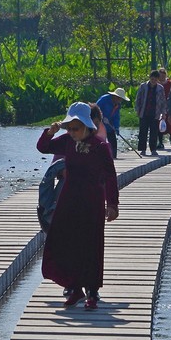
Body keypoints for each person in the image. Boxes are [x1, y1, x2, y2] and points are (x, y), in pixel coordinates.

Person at [36, 102, 119, 310]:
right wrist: (49, 133)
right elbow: (43, 148)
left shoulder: (101, 147)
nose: (72, 132)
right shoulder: (66, 142)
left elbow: (110, 176)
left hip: (92, 201)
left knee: (91, 245)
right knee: (67, 242)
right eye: (69, 128)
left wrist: (113, 204)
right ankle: (74, 288)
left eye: (76, 128)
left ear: (87, 126)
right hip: (69, 198)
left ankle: (92, 292)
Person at [134, 70, 166, 155]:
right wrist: (137, 109)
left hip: (155, 113)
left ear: (158, 80)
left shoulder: (160, 88)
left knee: (154, 132)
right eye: (152, 79)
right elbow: (138, 99)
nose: (153, 81)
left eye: (155, 79)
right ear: (149, 78)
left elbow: (163, 101)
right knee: (143, 132)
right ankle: (142, 149)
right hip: (144, 112)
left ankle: (153, 149)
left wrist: (163, 113)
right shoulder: (143, 86)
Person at [95, 87, 130, 159]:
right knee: (99, 141)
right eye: (120, 98)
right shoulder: (104, 99)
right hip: (99, 124)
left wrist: (116, 127)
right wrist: (101, 117)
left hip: (109, 125)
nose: (120, 100)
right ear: (115, 96)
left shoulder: (118, 105)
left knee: (113, 142)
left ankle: (113, 157)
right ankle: (97, 157)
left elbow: (116, 117)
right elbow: (95, 109)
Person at [158, 67, 171, 149]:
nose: (162, 77)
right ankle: (160, 142)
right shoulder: (157, 84)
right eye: (160, 76)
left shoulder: (170, 84)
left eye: (163, 76)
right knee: (160, 124)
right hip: (160, 107)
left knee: (170, 123)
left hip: (169, 106)